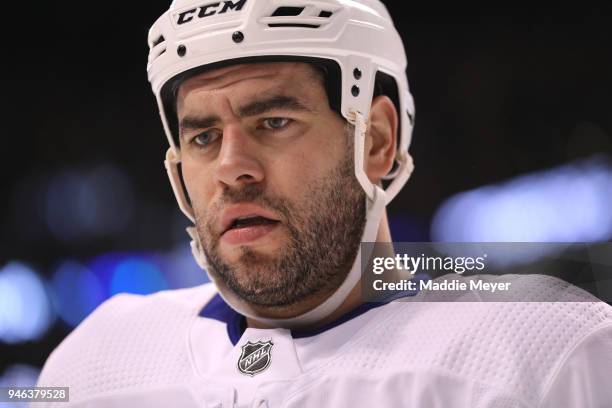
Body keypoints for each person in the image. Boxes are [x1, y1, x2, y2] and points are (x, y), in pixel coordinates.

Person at [37, 0, 612, 407]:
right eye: (204, 136)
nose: (233, 169)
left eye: (274, 121)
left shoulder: (550, 353)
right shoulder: (93, 363)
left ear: (377, 141)